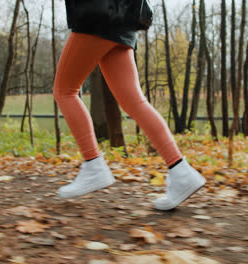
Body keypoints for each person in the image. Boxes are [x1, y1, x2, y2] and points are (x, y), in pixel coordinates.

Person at [54, 0, 206, 210]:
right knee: (134, 101)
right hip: (124, 16)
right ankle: (181, 171)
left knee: (64, 91)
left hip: (97, 14)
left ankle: (93, 165)